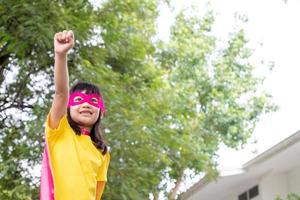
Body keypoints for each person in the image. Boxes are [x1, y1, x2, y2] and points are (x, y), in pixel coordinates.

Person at [40, 30, 110, 200]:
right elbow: (61, 93)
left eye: (93, 101)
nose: (86, 104)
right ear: (68, 107)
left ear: (101, 113)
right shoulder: (59, 129)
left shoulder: (102, 152)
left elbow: (95, 193)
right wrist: (60, 54)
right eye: (79, 99)